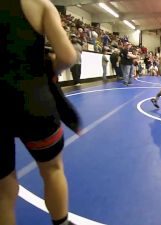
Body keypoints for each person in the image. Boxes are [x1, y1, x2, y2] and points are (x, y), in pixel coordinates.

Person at [0, 0, 78, 225]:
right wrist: (53, 67)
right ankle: (61, 223)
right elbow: (67, 56)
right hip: (33, 103)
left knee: (3, 187)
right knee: (52, 169)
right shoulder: (38, 4)